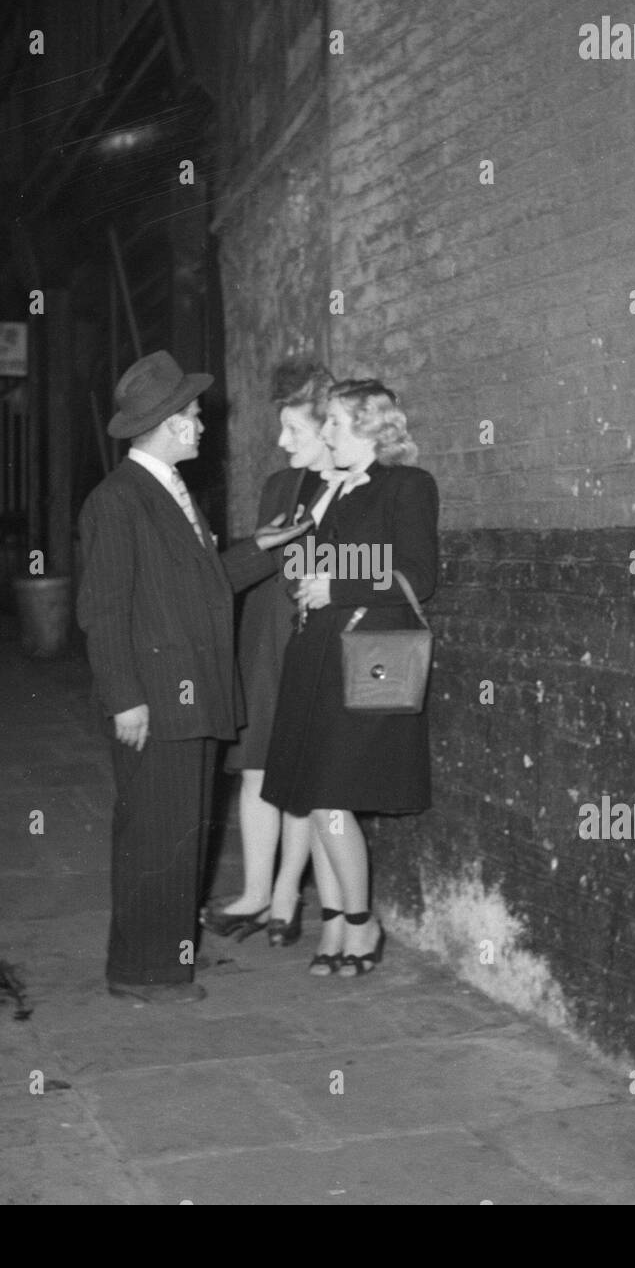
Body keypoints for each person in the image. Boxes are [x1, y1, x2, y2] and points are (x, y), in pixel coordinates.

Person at [76, 351, 310, 1005]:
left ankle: (166, 962)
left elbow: (203, 585)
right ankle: (143, 971)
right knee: (155, 832)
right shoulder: (119, 500)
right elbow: (102, 608)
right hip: (154, 699)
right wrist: (125, 698)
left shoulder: (172, 494)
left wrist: (268, 547)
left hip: (195, 694)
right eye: (194, 414)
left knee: (181, 831)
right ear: (166, 424)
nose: (202, 424)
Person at [261, 380, 439, 976]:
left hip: (368, 653)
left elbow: (417, 572)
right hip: (317, 653)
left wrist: (336, 583)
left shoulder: (407, 486)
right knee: (314, 796)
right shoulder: (334, 490)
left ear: (367, 427)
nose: (326, 433)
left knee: (332, 795)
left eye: (334, 423)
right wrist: (308, 567)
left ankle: (362, 923)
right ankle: (337, 918)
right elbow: (303, 566)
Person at [204, 360, 348, 969]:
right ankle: (256, 891)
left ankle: (287, 892)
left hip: (311, 639)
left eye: (294, 429)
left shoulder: (353, 486)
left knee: (298, 774)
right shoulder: (278, 486)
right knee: (256, 767)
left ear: (328, 429)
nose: (281, 441)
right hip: (265, 638)